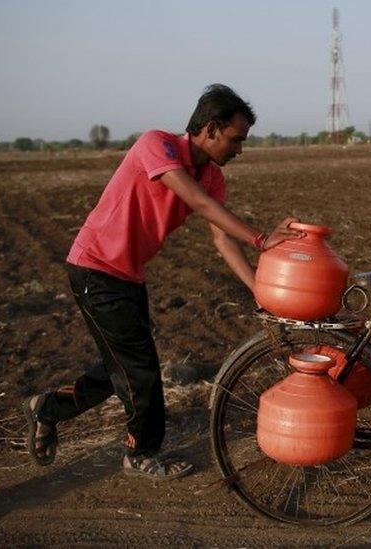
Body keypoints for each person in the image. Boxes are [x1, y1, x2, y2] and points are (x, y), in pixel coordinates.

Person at [23, 84, 303, 479]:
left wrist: (258, 289)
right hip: (94, 267)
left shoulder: (212, 176)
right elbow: (199, 203)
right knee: (140, 371)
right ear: (210, 129)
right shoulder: (157, 145)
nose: (239, 149)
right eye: (236, 139)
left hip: (127, 274)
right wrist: (260, 238)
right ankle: (140, 453)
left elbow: (221, 237)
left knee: (122, 364)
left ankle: (48, 408)